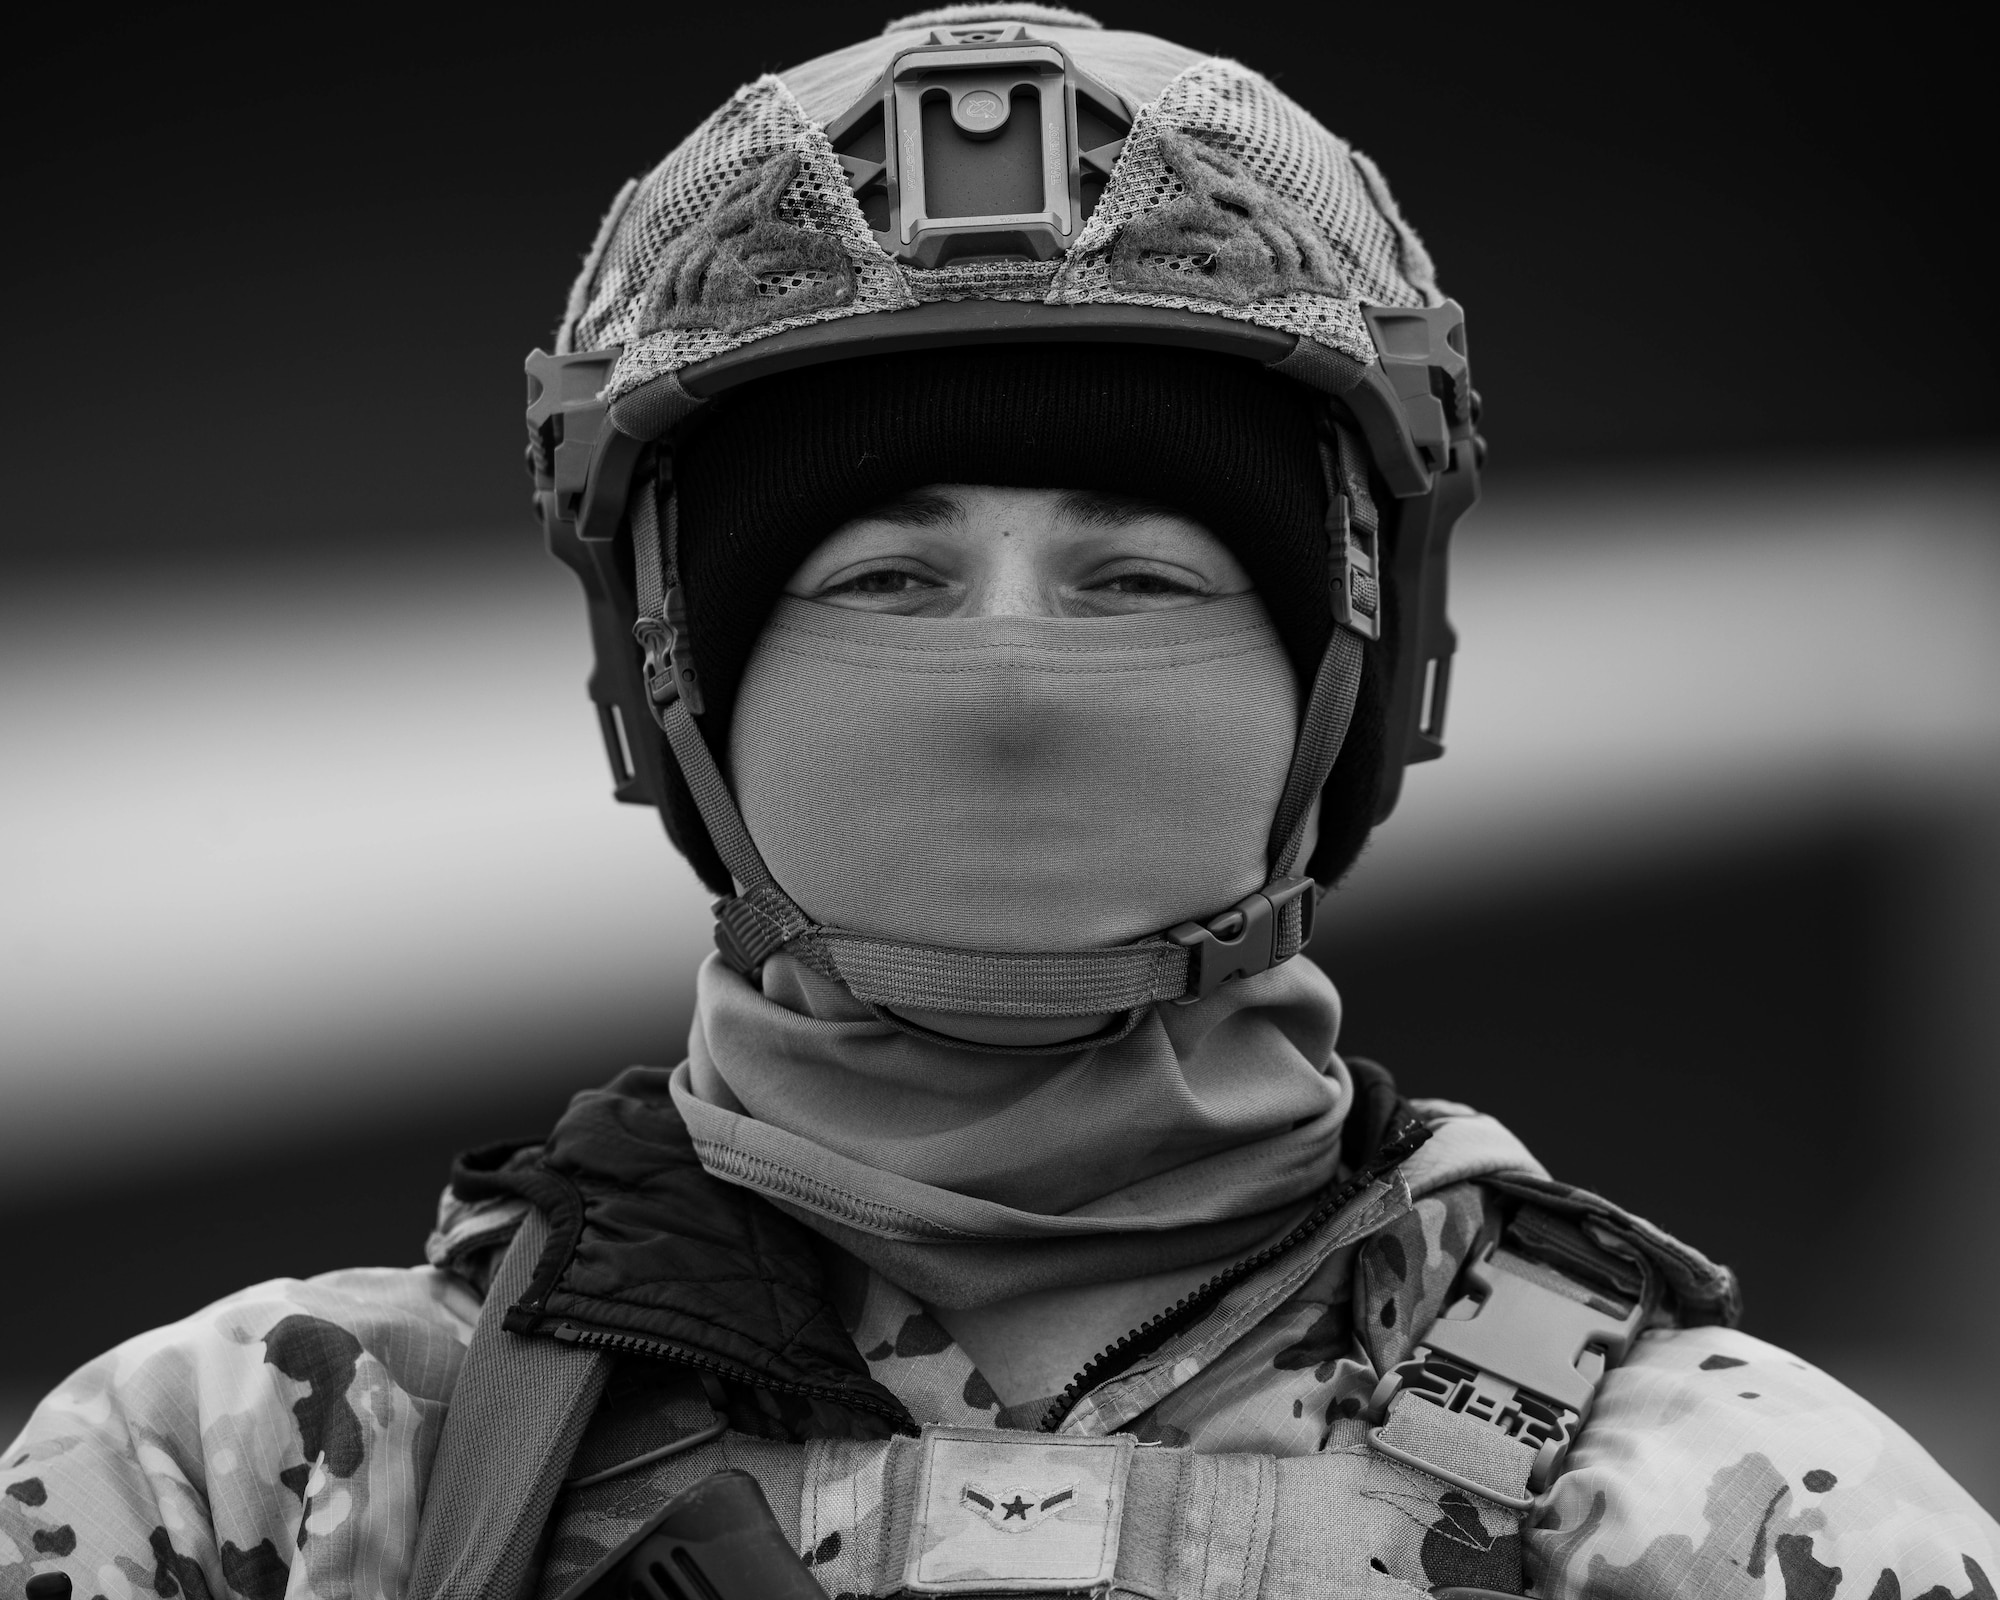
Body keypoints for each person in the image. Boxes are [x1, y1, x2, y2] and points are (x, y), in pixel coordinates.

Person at [5, 7, 1995, 1599]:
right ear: (676, 698)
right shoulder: (246, 1475)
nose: (1017, 685)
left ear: (1343, 694)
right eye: (888, 579)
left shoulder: (1738, 1507)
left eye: (1138, 580)